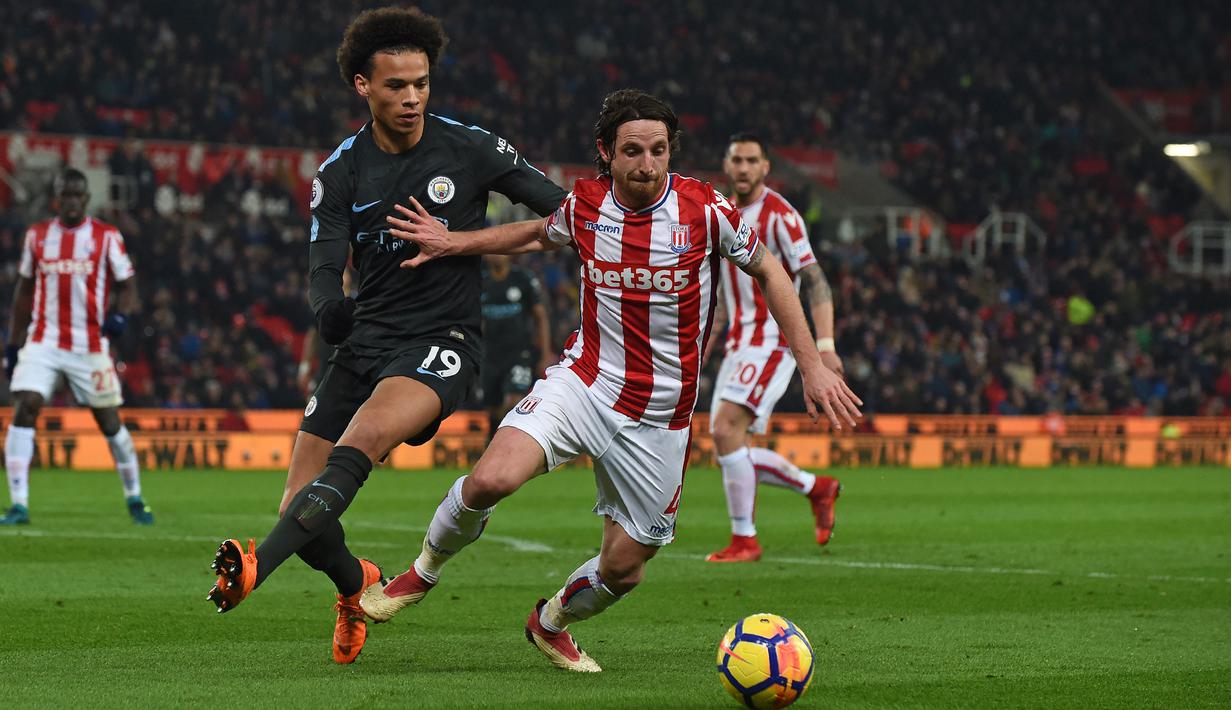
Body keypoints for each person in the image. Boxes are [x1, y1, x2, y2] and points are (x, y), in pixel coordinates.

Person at [359, 89, 862, 672]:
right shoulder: (586, 204)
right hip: (585, 383)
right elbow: (535, 234)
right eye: (633, 152)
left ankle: (551, 622)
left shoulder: (705, 209)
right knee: (491, 478)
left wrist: (812, 363)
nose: (648, 165)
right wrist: (452, 242)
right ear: (606, 152)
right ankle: (422, 572)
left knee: (624, 569)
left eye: (659, 151)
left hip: (662, 418)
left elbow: (771, 270)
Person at [204, 6, 567, 667]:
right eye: (396, 85)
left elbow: (564, 218)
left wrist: (462, 241)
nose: (411, 98)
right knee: (299, 508)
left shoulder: (470, 148)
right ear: (362, 85)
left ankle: (257, 566)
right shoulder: (342, 170)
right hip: (366, 342)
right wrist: (327, 309)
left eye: (421, 83)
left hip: (442, 340)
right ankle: (356, 585)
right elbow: (323, 264)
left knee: (360, 442)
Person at [703, 133, 845, 563]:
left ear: (766, 167)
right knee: (728, 445)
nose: (744, 168)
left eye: (752, 160)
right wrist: (703, 346)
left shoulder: (781, 215)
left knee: (726, 431)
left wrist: (825, 346)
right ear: (727, 166)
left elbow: (814, 278)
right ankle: (816, 487)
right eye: (737, 160)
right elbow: (724, 296)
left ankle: (745, 540)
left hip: (772, 340)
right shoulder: (722, 215)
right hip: (738, 344)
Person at [2, 168, 151, 526]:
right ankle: (19, 504)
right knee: (26, 405)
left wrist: (121, 316)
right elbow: (24, 291)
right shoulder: (37, 236)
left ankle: (135, 498)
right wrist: (12, 344)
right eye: (64, 194)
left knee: (109, 421)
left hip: (89, 344)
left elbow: (128, 285)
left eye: (76, 195)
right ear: (56, 198)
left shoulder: (106, 236)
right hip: (44, 340)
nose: (70, 200)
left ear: (85, 198)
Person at [480, 253, 552, 441]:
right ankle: (493, 442)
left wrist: (545, 354)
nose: (497, 255)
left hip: (519, 353)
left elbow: (540, 317)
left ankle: (510, 443)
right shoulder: (481, 282)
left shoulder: (523, 278)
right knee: (493, 408)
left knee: (514, 400)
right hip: (490, 354)